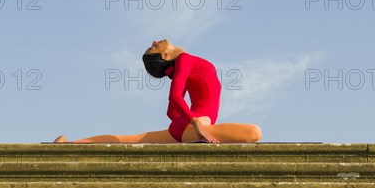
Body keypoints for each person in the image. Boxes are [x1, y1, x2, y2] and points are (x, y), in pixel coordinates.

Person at [53, 39, 262, 144]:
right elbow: (174, 98)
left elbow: (171, 110)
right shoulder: (185, 60)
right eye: (153, 47)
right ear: (164, 56)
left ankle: (68, 144)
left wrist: (189, 122)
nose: (154, 41)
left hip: (185, 127)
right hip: (195, 125)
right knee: (254, 132)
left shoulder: (184, 63)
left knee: (129, 140)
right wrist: (197, 123)